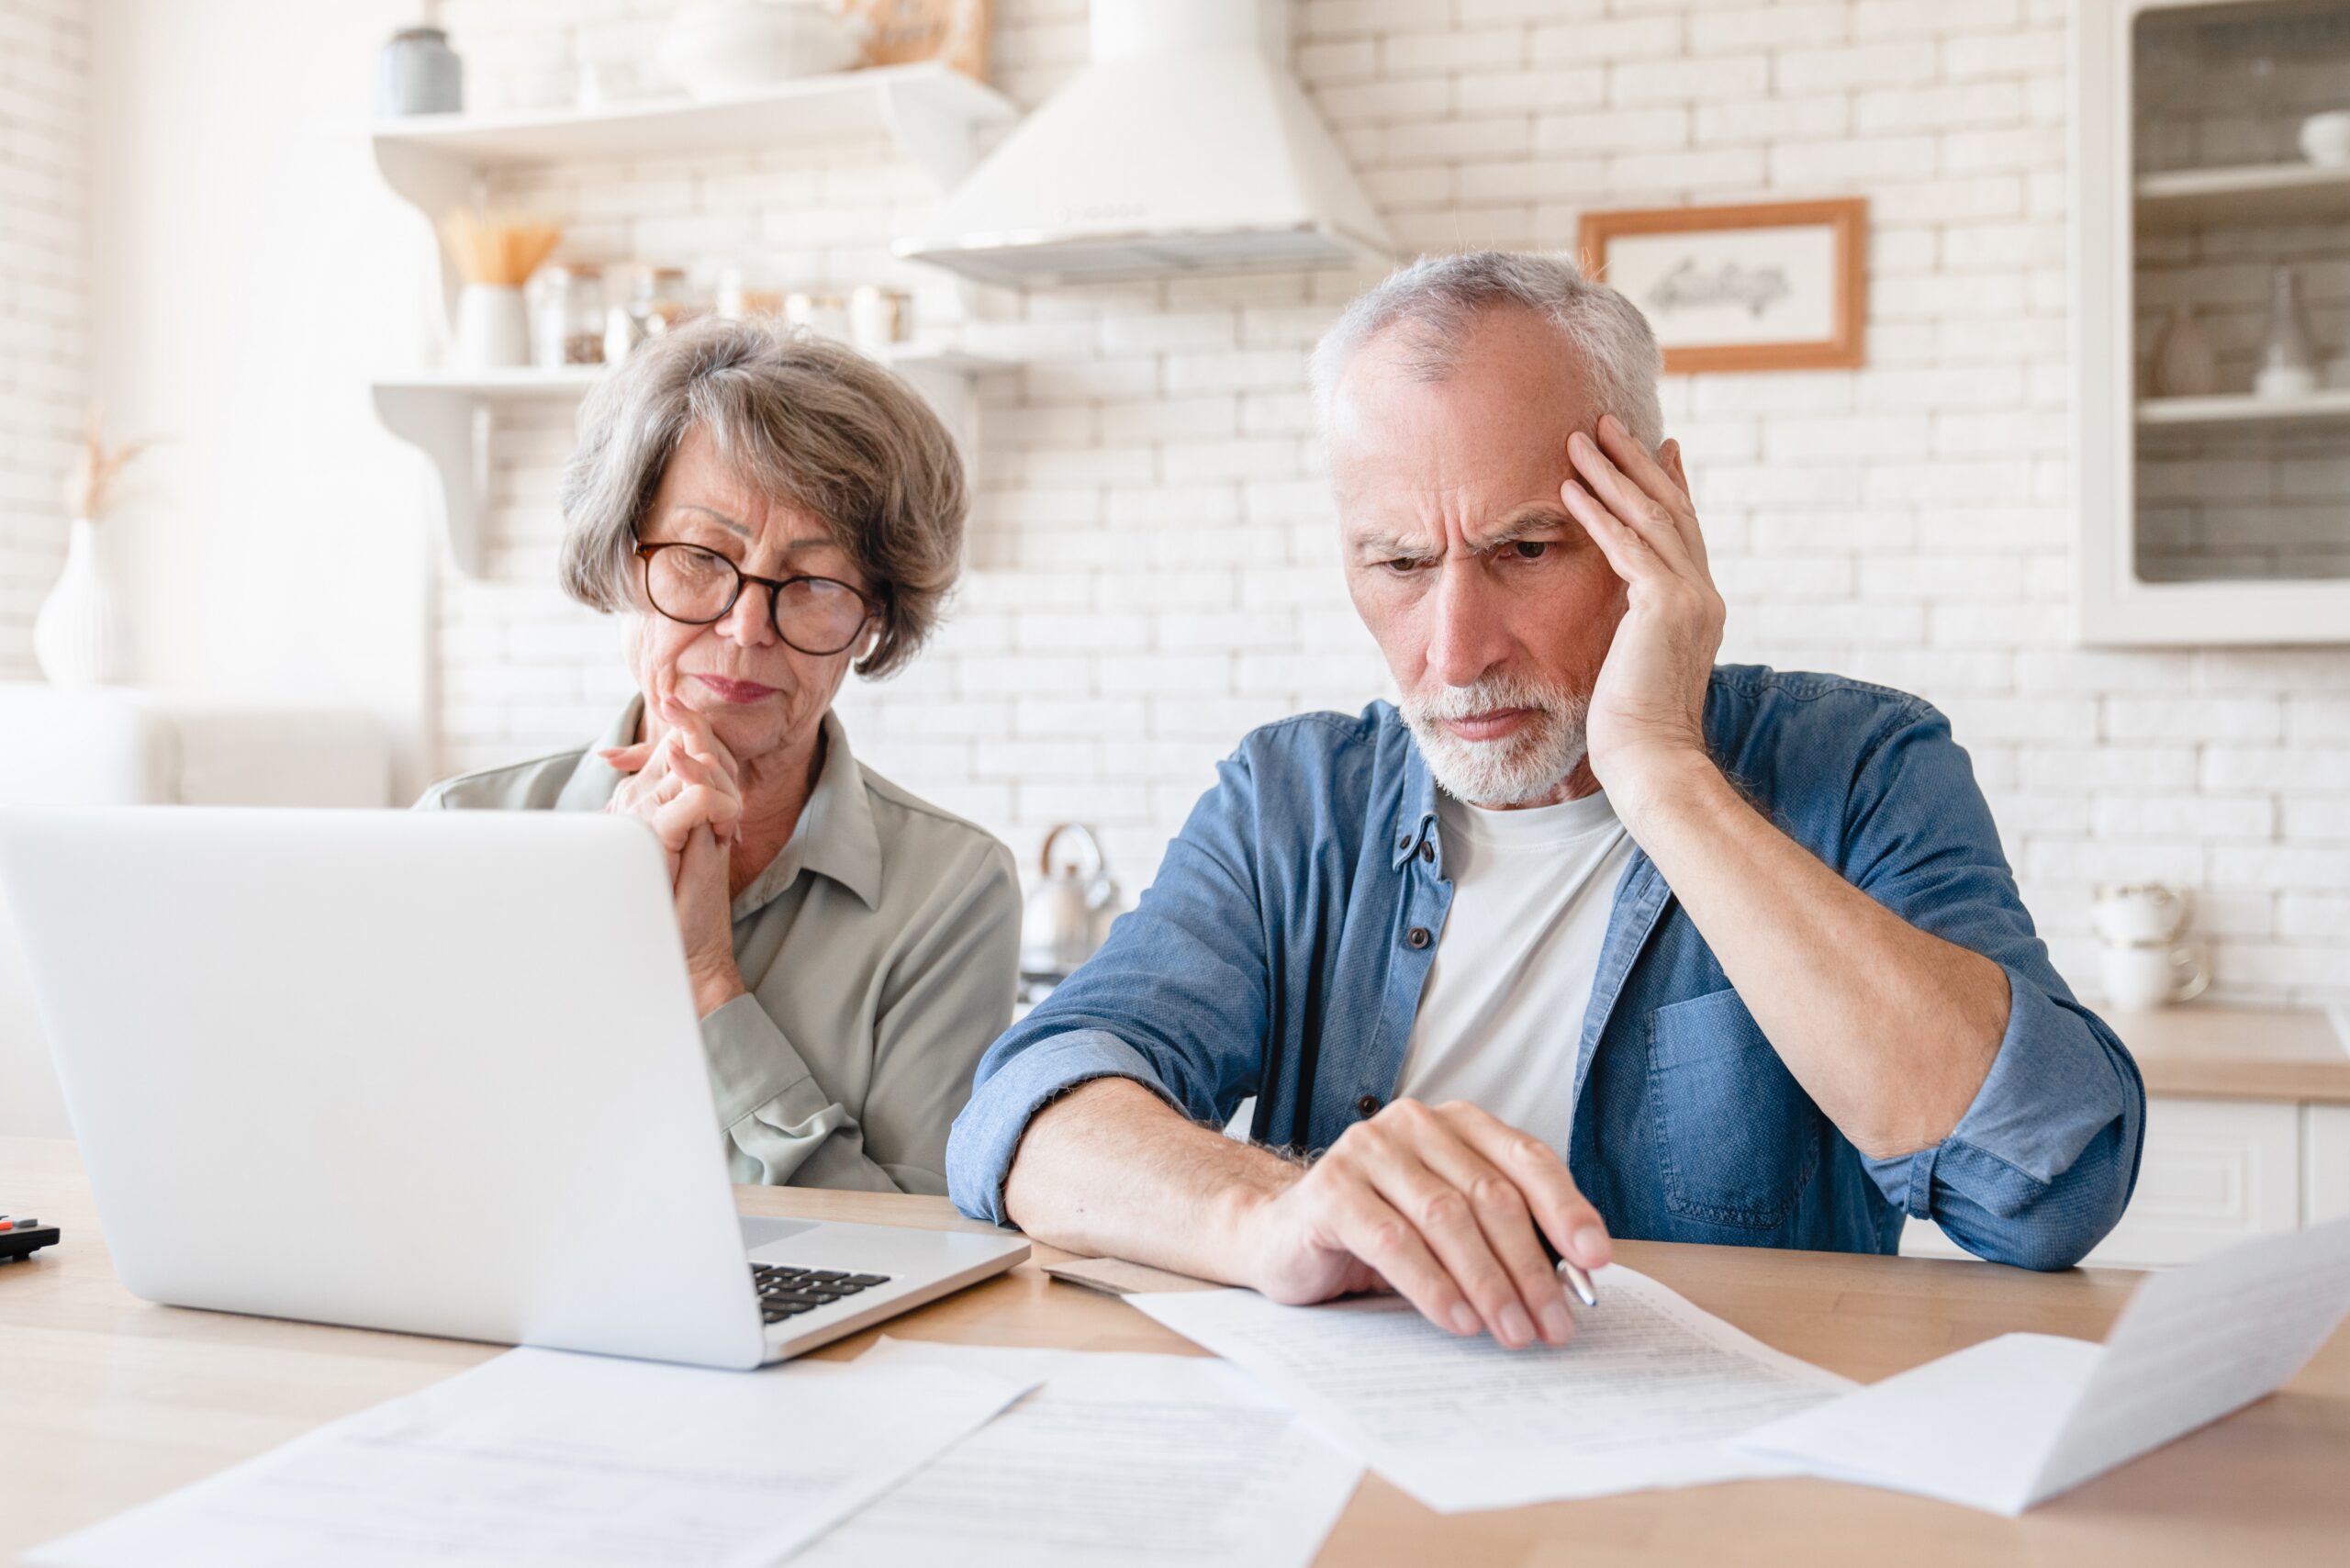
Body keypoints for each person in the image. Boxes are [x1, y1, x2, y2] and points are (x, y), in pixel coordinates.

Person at [946, 252, 2144, 1350]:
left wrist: (1665, 773)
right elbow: (1024, 1114)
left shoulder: (1865, 764)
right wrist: (1281, 1218)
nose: (1455, 651)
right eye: (1399, 563)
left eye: (1526, 550)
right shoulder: (1293, 801)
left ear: (1656, 514)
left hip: (1727, 1481)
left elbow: (2043, 1187)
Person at [420, 319, 1020, 1195]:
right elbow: (422, 1163)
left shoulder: (952, 892)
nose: (744, 628)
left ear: (876, 619)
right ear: (627, 562)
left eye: (814, 583)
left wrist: (707, 981)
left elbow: (920, 1251)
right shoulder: (460, 832)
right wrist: (601, 906)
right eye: (702, 558)